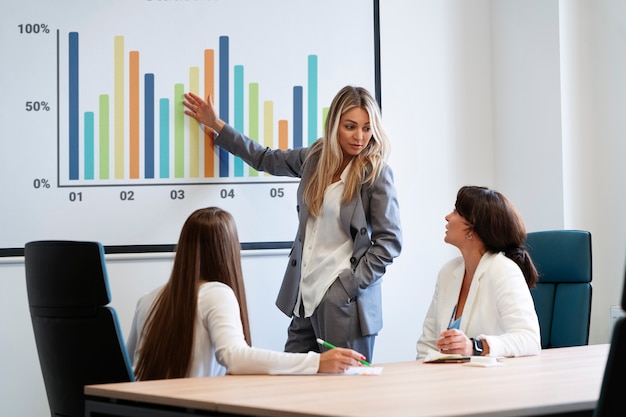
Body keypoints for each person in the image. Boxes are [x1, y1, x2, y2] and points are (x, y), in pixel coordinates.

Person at [183, 86, 402, 362]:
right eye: (350, 127)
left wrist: (345, 287)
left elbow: (389, 243)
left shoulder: (376, 173)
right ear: (334, 124)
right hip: (304, 296)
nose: (360, 137)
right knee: (292, 382)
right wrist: (217, 124)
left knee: (344, 393)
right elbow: (265, 158)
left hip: (344, 302)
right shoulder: (316, 158)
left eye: (367, 128)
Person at [126, 207, 366, 380]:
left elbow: (128, 367)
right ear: (228, 250)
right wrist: (318, 362)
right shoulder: (215, 293)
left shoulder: (147, 299)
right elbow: (235, 356)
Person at [416, 186, 541, 359]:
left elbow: (529, 339)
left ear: (471, 229)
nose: (447, 217)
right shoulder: (448, 272)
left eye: (455, 212)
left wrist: (476, 346)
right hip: (449, 381)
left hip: (491, 382)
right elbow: (428, 343)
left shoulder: (503, 270)